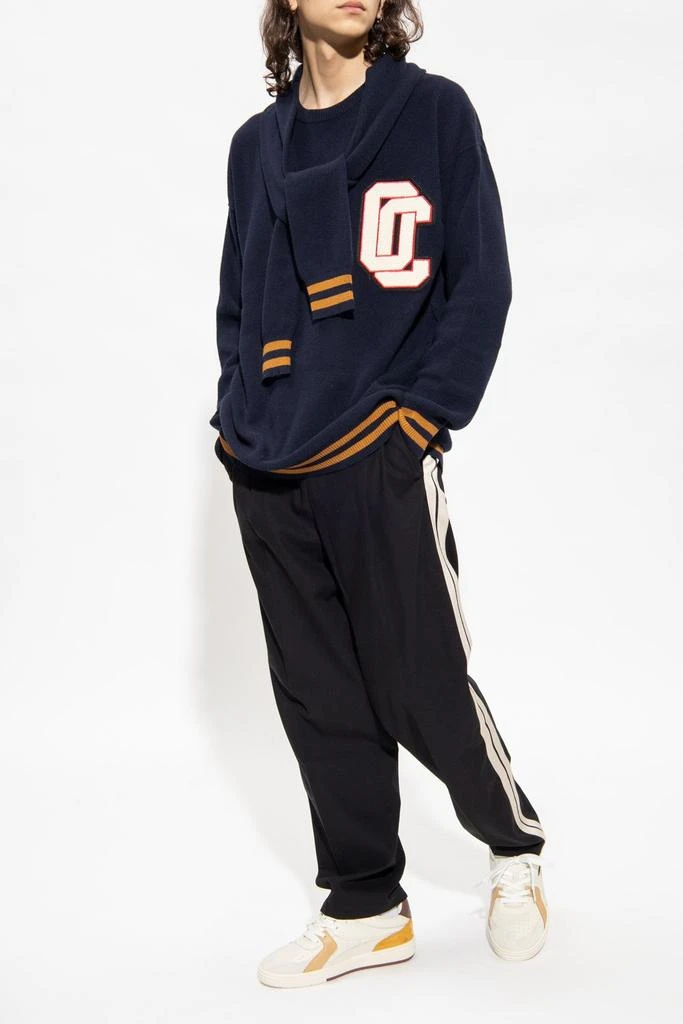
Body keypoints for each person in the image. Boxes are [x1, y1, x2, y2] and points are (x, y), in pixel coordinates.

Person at [209, 0, 549, 988]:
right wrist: (236, 424)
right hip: (269, 459)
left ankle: (512, 847)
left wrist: (418, 421)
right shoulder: (255, 146)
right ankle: (364, 905)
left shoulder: (432, 112)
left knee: (420, 677)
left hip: (376, 447)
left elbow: (477, 281)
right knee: (316, 694)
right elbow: (237, 301)